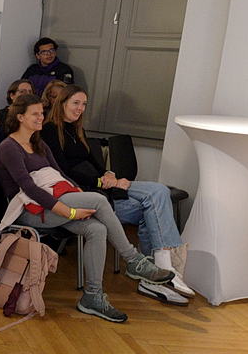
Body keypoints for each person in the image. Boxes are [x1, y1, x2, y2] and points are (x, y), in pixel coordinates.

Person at [0, 93, 175, 323]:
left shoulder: (39, 143)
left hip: (52, 203)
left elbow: (61, 175)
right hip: (28, 211)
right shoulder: (8, 147)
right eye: (35, 114)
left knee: (97, 229)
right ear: (20, 117)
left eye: (42, 113)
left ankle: (92, 296)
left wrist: (78, 196)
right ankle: (134, 260)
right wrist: (70, 211)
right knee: (99, 200)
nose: (41, 117)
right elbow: (29, 188)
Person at [40, 85, 195, 303]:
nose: (80, 108)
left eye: (84, 104)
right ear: (62, 103)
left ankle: (159, 273)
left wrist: (108, 174)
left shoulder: (77, 129)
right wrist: (100, 181)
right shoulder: (49, 130)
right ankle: (162, 272)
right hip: (84, 191)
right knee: (152, 202)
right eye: (76, 103)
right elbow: (62, 170)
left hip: (102, 186)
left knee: (157, 197)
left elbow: (93, 162)